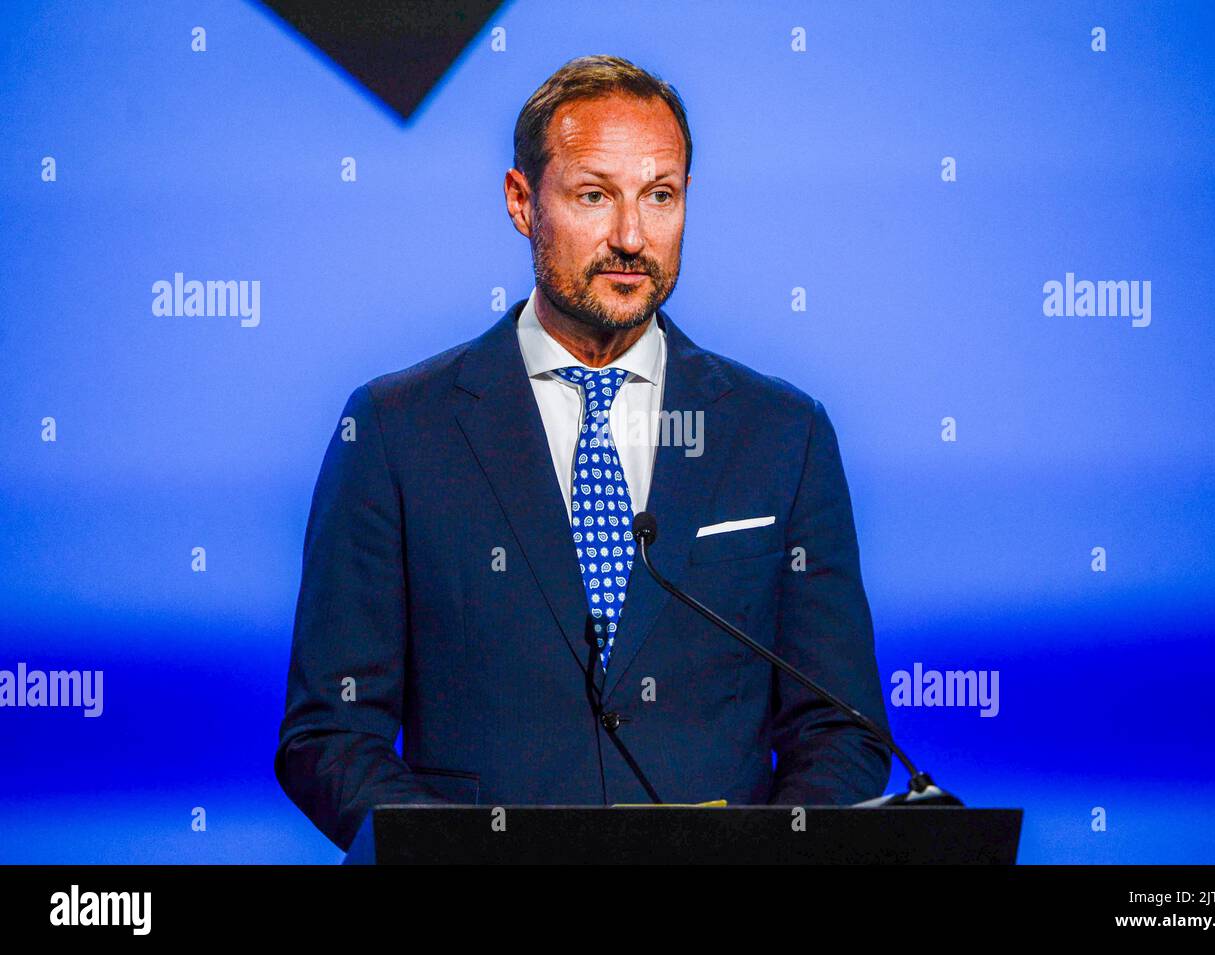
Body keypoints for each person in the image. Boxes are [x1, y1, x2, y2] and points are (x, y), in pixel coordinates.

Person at [276, 54, 891, 851]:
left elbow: (841, 731)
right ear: (521, 202)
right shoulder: (396, 430)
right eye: (595, 195)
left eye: (660, 196)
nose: (631, 237)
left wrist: (764, 857)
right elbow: (330, 733)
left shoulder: (782, 432)